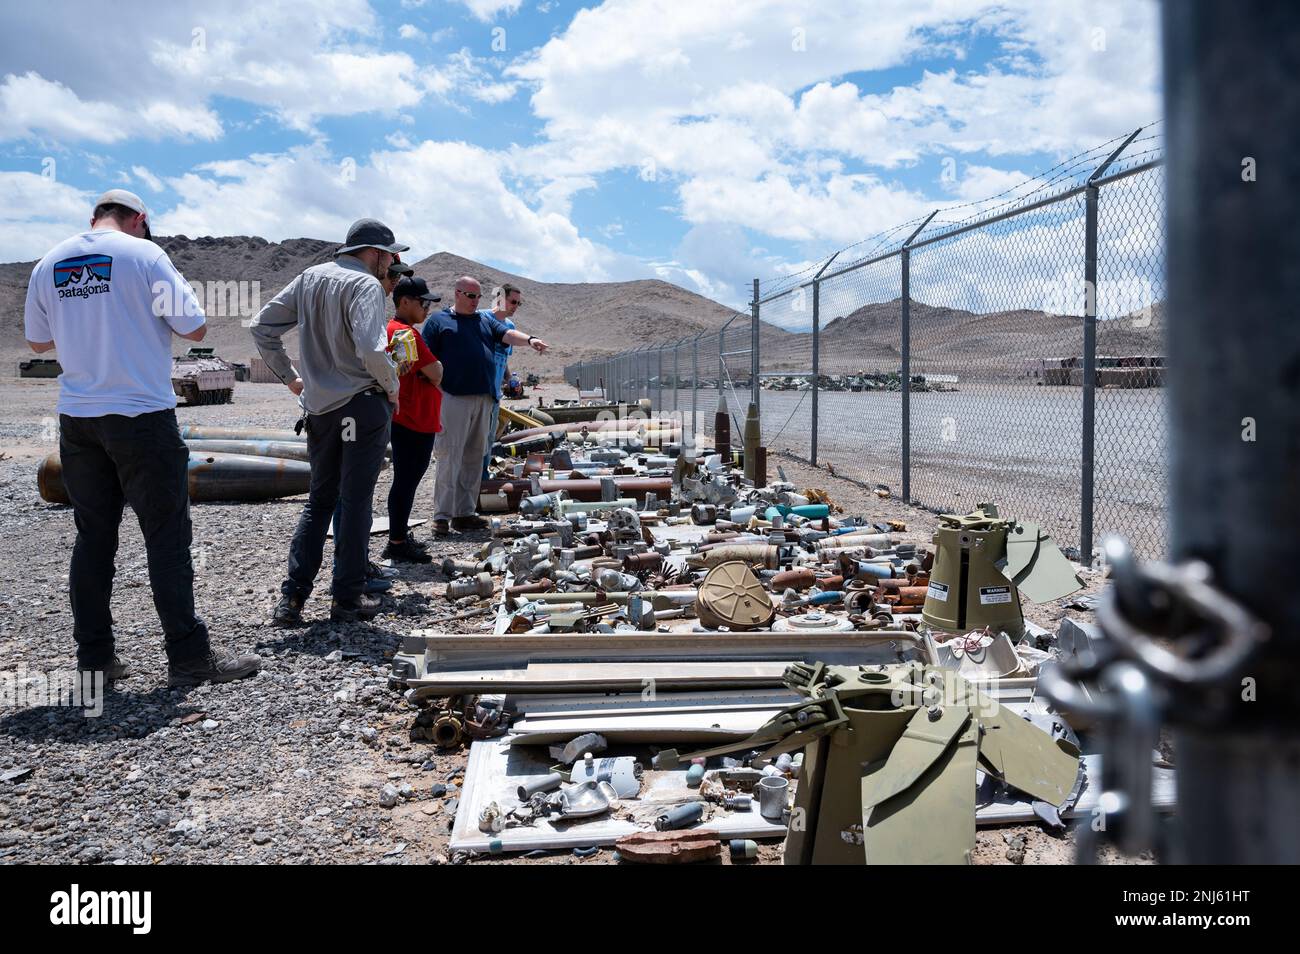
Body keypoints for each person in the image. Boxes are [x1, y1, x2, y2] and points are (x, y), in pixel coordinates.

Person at [23, 189, 261, 686]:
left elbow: (38, 341)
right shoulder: (146, 254)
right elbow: (194, 327)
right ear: (139, 220)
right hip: (140, 416)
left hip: (79, 419)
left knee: (93, 539)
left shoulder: (50, 261)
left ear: (94, 218)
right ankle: (189, 659)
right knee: (166, 536)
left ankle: (95, 661)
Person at [252, 218, 402, 626]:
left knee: (320, 501)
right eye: (390, 255)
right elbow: (372, 349)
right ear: (374, 253)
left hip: (319, 409)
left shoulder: (309, 278)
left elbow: (261, 326)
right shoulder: (366, 285)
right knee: (354, 502)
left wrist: (292, 379)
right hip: (361, 403)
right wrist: (391, 386)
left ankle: (293, 599)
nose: (391, 263)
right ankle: (347, 599)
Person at [423, 276, 549, 535]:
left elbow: (506, 334)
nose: (475, 301)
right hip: (453, 398)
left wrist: (530, 339)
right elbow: (426, 356)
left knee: (473, 457)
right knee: (449, 456)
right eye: (470, 296)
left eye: (478, 296)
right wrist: (437, 388)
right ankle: (442, 516)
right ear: (457, 293)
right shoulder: (439, 321)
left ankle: (464, 513)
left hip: (484, 398)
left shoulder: (483, 320)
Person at [383, 276, 444, 562]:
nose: (426, 308)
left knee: (405, 481)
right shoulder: (405, 333)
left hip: (411, 418)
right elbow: (436, 373)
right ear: (404, 302)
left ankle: (398, 538)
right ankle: (397, 542)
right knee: (406, 481)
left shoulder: (398, 331)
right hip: (413, 419)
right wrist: (432, 370)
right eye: (422, 303)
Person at [481, 283, 521, 478]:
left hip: (495, 395)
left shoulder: (510, 327)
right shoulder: (481, 318)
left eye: (518, 304)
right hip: (477, 392)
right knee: (474, 440)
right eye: (513, 301)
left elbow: (503, 359)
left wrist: (509, 378)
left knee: (488, 439)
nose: (515, 306)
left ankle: (482, 480)